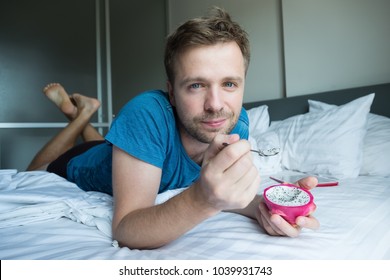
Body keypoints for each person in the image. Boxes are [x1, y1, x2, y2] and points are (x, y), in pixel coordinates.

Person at [28, 7, 319, 249]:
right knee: (35, 169)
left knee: (106, 142)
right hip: (83, 162)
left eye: (229, 84)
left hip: (120, 149)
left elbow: (223, 193)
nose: (216, 105)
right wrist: (201, 200)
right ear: (171, 92)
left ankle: (85, 117)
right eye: (196, 85)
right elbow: (126, 228)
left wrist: (263, 207)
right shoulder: (146, 114)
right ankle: (79, 117)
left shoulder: (236, 120)